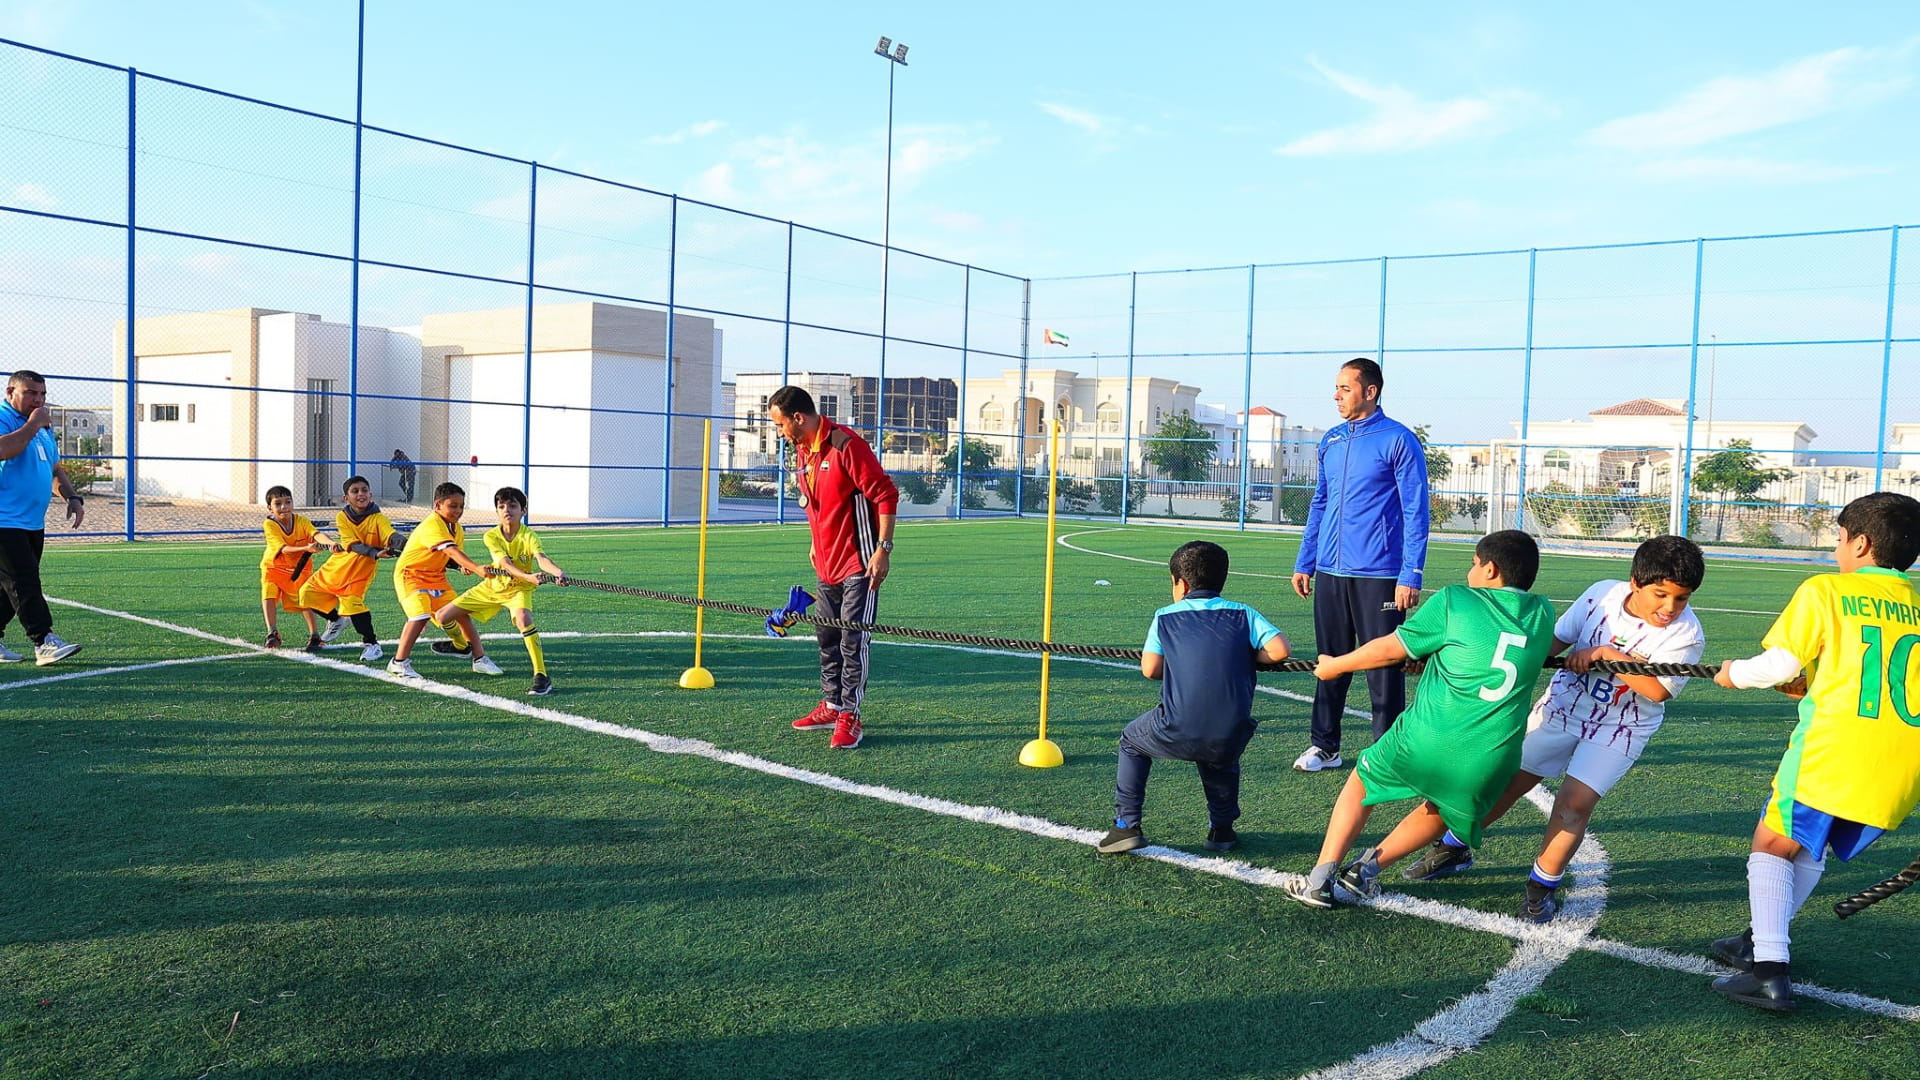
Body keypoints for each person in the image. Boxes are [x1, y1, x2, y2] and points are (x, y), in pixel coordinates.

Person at [1399, 535, 1708, 923]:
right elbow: (1550, 643)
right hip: (1562, 709)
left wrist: (1606, 654)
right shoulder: (1602, 596)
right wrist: (1456, 656)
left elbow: (1657, 690)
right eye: (1661, 595)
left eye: (1682, 598)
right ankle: (1454, 847)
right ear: (1635, 582)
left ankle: (1540, 889)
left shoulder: (1686, 634)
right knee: (1503, 783)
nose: (1670, 607)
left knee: (1574, 805)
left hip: (1620, 728)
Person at [1706, 491, 1920, 1013]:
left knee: (1771, 843)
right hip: (1902, 764)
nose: (1836, 551)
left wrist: (1733, 673)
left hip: (1835, 750)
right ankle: (1757, 940)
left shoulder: (1827, 589)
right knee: (1808, 846)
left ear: (1861, 543)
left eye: (1840, 540)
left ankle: (1768, 970)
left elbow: (1778, 666)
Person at [1284, 530, 1555, 910]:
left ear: (1491, 569)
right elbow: (1489, 651)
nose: (1469, 572)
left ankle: (1319, 879)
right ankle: (1364, 871)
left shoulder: (1455, 599)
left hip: (1427, 739)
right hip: (1491, 759)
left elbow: (1389, 648)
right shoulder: (1543, 613)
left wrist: (1336, 666)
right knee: (1442, 809)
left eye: (1474, 564)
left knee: (1363, 780)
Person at [1098, 541, 1291, 855]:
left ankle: (1126, 825)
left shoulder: (1165, 616)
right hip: (1231, 730)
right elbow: (1280, 650)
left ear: (1182, 584)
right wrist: (1243, 657)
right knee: (1220, 758)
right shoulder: (1244, 613)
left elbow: (1150, 669)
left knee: (1132, 740)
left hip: (1176, 726)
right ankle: (1222, 831)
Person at [1290, 357, 1430, 773]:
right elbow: (1320, 502)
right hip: (1330, 572)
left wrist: (1410, 573)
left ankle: (1387, 755)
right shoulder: (1331, 440)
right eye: (1335, 388)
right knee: (1329, 660)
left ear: (1370, 391)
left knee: (1383, 666)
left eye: (1344, 388)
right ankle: (1325, 747)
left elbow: (1416, 509)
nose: (1336, 395)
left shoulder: (1399, 440)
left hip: (1380, 575)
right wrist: (1306, 560)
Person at [765, 385, 898, 750]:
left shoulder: (846, 445)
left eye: (779, 425)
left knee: (853, 639)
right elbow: (816, 502)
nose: (779, 432)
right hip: (826, 563)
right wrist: (815, 542)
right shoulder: (802, 449)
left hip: (859, 562)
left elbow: (886, 494)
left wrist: (883, 550)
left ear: (798, 418)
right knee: (827, 636)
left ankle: (850, 715)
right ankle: (832, 705)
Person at [436, 486, 568, 696]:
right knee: (443, 616)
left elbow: (541, 559)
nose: (507, 510)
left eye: (513, 506)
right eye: (502, 506)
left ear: (523, 510)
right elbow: (505, 564)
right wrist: (528, 576)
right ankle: (461, 646)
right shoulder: (491, 536)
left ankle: (541, 675)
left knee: (523, 618)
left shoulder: (529, 536)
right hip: (492, 587)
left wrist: (558, 572)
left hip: (518, 590)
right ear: (497, 511)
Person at [0, 369, 84, 665]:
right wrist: (34, 424)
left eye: (42, 394)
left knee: (8, 589)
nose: (38, 400)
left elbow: (54, 469)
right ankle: (44, 640)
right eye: (31, 393)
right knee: (24, 581)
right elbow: (3, 449)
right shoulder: (7, 418)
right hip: (4, 521)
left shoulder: (42, 427)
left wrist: (72, 497)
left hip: (31, 521)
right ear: (10, 392)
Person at [385, 481, 502, 680]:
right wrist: (476, 568)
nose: (458, 511)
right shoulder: (432, 525)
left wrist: (461, 566)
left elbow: (450, 557)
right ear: (437, 505)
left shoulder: (457, 529)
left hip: (436, 577)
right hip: (411, 576)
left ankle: (480, 659)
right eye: (453, 506)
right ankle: (398, 663)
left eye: (461, 506)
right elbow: (450, 550)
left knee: (461, 612)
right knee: (420, 616)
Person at [298, 475, 399, 662]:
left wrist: (400, 542)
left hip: (360, 572)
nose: (361, 494)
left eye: (364, 490)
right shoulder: (342, 517)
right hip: (337, 567)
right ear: (346, 498)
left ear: (370, 494)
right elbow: (352, 545)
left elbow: (390, 534)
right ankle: (336, 620)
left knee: (353, 604)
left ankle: (372, 644)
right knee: (305, 594)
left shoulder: (379, 519)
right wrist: (375, 553)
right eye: (355, 491)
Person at [260, 484, 330, 651]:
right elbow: (283, 549)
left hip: (299, 569)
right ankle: (272, 632)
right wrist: (306, 548)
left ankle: (315, 635)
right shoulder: (270, 524)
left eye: (288, 502)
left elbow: (316, 534)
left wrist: (330, 543)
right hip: (274, 567)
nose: (284, 507)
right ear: (270, 508)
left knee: (304, 598)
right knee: (268, 594)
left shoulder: (302, 521)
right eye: (278, 503)